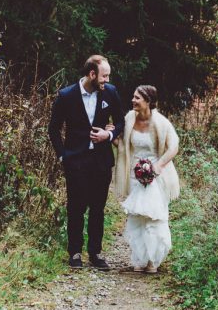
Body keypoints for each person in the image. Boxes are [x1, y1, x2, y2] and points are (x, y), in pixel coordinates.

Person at [48, 55, 125, 269]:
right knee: (76, 207)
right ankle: (74, 253)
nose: (107, 80)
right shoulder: (66, 96)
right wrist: (63, 156)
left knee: (98, 208)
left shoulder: (110, 92)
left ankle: (95, 253)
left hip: (101, 160)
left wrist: (108, 135)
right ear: (92, 74)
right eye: (104, 76)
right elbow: (53, 129)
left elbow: (121, 121)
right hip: (76, 161)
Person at [113, 85, 180, 273]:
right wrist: (111, 137)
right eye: (133, 97)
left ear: (148, 101)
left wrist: (158, 166)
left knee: (153, 216)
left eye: (137, 98)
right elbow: (124, 145)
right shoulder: (129, 118)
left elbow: (173, 147)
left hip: (155, 175)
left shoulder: (161, 123)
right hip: (135, 174)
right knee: (137, 217)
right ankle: (139, 257)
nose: (133, 100)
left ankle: (152, 261)